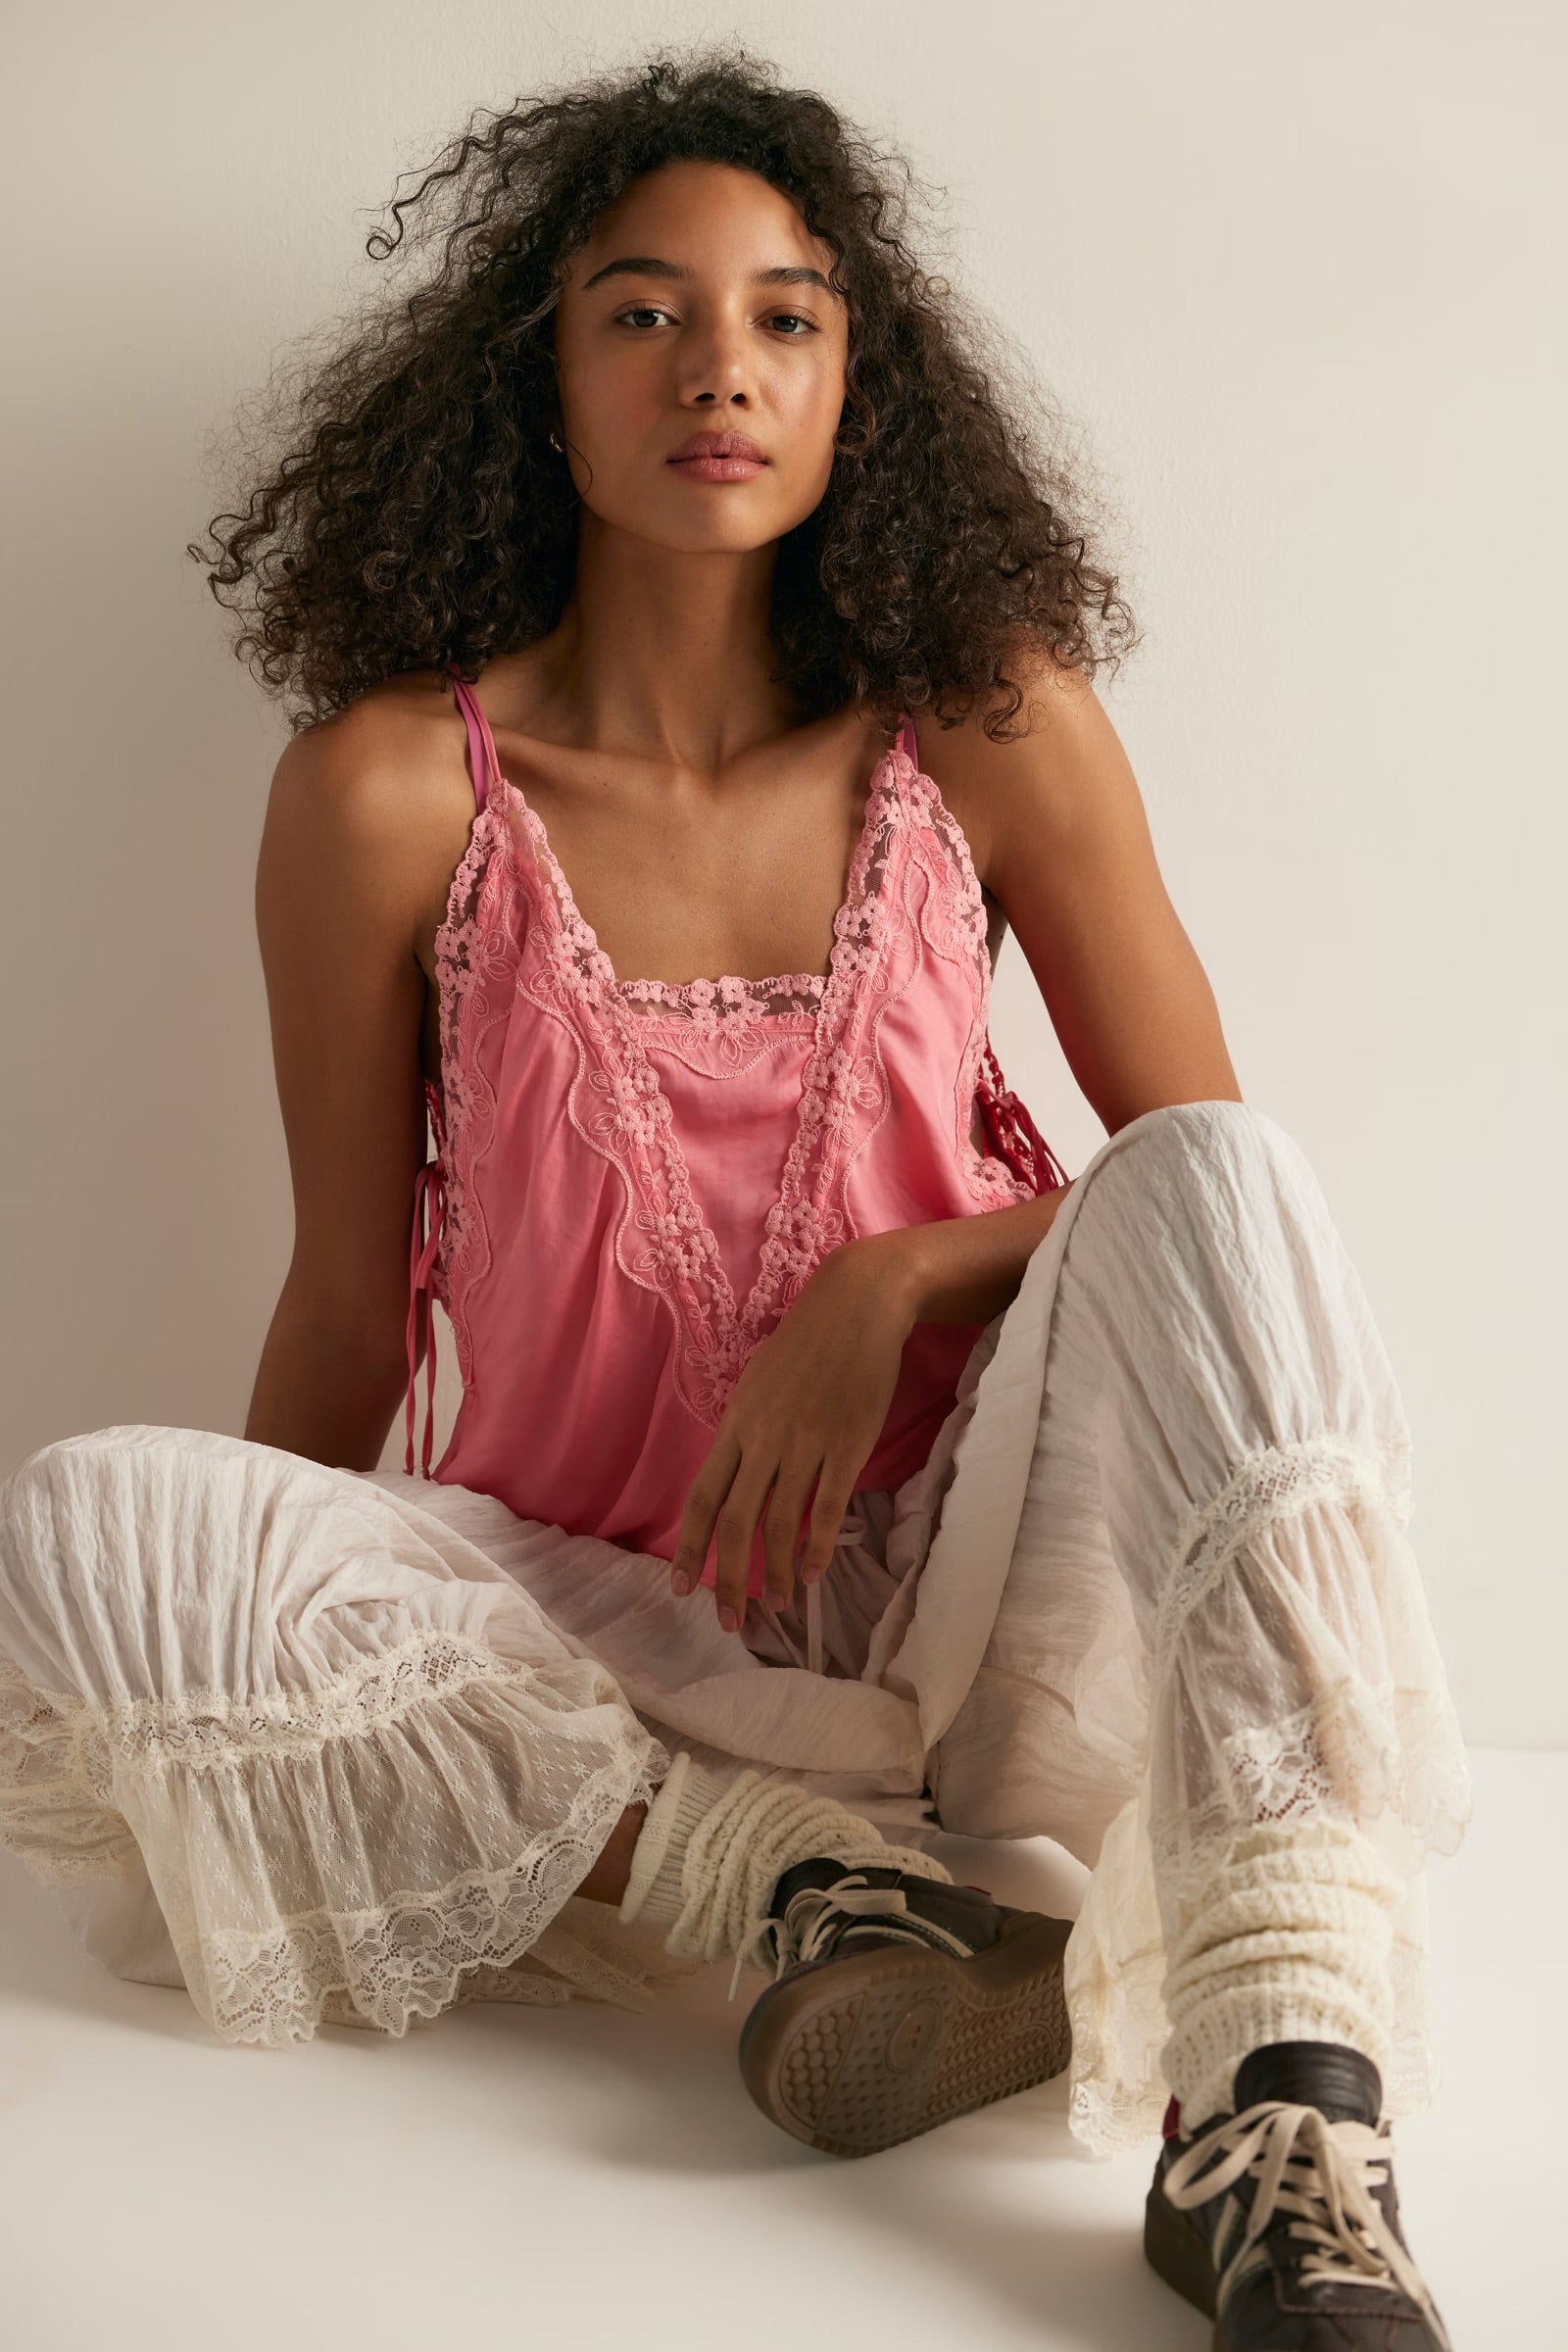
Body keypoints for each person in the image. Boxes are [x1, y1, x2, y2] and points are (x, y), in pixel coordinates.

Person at [0, 44, 1468, 2349]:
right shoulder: (392, 791)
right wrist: (237, 1678)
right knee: (87, 1518)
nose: (721, 370)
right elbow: (346, 1321)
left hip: (985, 1628)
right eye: (642, 312)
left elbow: (1193, 1182)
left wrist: (896, 1280)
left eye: (787, 316)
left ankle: (1278, 2102)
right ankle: (826, 1900)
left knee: (1218, 1181)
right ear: (541, 384)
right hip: (603, 1650)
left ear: (854, 379)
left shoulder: (978, 718)